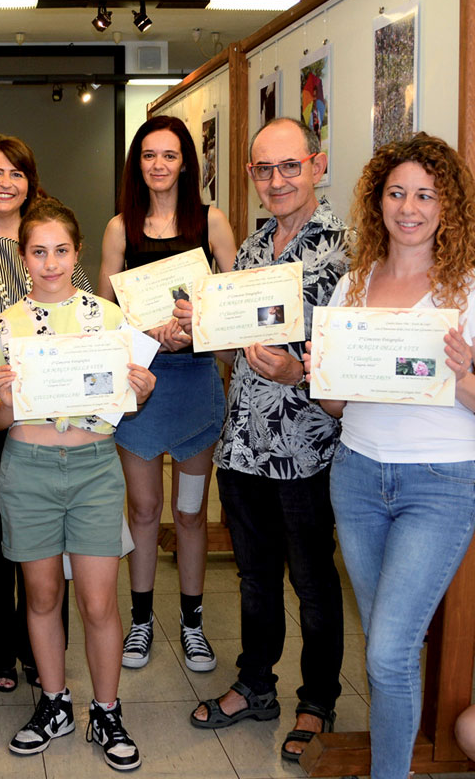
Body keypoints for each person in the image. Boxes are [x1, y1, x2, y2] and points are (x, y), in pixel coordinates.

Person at [302, 133, 475, 779]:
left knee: (387, 653)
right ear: (378, 202)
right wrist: (326, 382)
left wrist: (460, 376)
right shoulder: (354, 284)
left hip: (441, 483)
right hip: (357, 476)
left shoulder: (470, 289)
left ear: (447, 205)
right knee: (387, 649)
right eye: (397, 192)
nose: (409, 207)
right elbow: (339, 409)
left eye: (426, 195)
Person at [181, 117, 348, 761]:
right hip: (244, 444)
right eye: (263, 170)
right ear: (251, 176)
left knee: (312, 583)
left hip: (306, 448)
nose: (276, 181)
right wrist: (204, 327)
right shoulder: (251, 251)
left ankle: (318, 701)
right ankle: (256, 686)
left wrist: (301, 369)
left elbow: (354, 358)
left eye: (289, 167)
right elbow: (233, 352)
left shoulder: (347, 250)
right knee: (254, 578)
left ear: (316, 164)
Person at [0, 197, 155, 772]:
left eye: (61, 251)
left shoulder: (109, 320)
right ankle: (54, 703)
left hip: (94, 471)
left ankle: (105, 710)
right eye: (38, 252)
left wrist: (141, 389)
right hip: (28, 470)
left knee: (100, 601)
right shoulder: (4, 326)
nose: (50, 263)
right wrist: (4, 396)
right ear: (23, 255)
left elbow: (124, 406)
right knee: (41, 597)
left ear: (77, 252)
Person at [0, 134, 90, 692]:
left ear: (31, 182)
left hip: (50, 414)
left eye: (17, 172)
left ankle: (41, 650)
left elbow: (83, 314)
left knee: (43, 541)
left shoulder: (48, 239)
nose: (6, 182)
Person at [97, 115, 236, 675]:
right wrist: (142, 332)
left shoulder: (212, 222)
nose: (158, 165)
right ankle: (141, 621)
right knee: (146, 510)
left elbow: (236, 305)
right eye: (149, 155)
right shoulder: (118, 228)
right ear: (138, 164)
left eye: (170, 155)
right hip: (141, 388)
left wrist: (197, 323)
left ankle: (193, 622)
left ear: (186, 163)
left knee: (191, 512)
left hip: (197, 385)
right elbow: (105, 315)